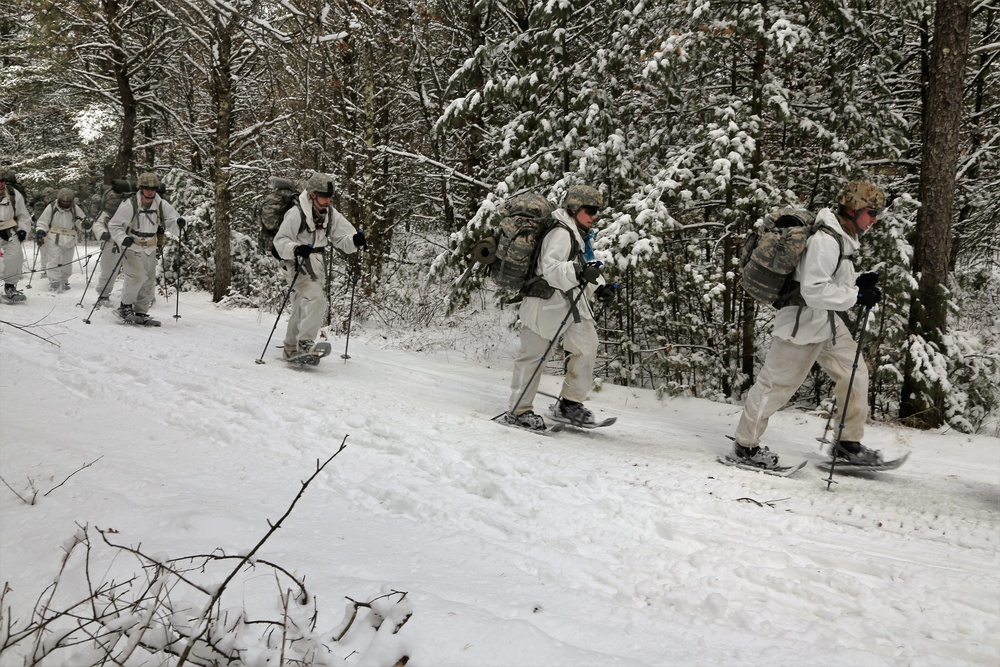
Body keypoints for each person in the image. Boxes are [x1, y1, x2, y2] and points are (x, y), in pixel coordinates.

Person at [731, 180, 887, 469]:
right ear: (853, 210)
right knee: (775, 387)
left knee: (855, 374)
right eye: (871, 212)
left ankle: (847, 444)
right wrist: (856, 295)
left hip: (826, 322)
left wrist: (857, 282)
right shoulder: (825, 241)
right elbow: (813, 291)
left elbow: (828, 280)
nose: (875, 218)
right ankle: (746, 446)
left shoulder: (842, 237)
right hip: (802, 323)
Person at [503, 184, 616, 430]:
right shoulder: (560, 232)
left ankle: (570, 404)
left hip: (570, 304)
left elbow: (585, 263)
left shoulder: (579, 232)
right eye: (590, 210)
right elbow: (550, 268)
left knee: (586, 347)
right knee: (532, 358)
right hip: (544, 304)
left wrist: (600, 285)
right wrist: (579, 272)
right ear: (574, 208)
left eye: (596, 210)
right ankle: (518, 411)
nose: (594, 215)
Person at [272, 172, 366, 362]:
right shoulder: (296, 213)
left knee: (301, 305)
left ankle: (291, 347)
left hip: (316, 264)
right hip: (296, 264)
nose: (328, 200)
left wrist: (355, 240)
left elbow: (342, 239)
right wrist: (296, 249)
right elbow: (279, 241)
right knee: (317, 300)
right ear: (313, 194)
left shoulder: (330, 213)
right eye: (324, 195)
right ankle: (305, 342)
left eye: (330, 196)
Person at [107, 172, 183, 324]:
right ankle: (125, 307)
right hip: (131, 244)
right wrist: (123, 239)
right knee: (137, 276)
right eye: (147, 188)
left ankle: (141, 312)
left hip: (150, 245)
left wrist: (180, 224)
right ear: (140, 188)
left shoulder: (161, 204)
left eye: (153, 188)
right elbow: (114, 225)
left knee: (148, 279)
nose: (150, 191)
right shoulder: (130, 204)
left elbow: (172, 220)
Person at [34, 187, 89, 291]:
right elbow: (43, 221)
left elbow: (81, 221)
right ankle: (54, 281)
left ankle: (64, 280)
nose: (65, 203)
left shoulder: (75, 208)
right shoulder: (52, 207)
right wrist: (40, 231)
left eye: (67, 202)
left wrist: (85, 225)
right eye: (63, 201)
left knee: (67, 261)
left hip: (69, 236)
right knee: (53, 259)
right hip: (53, 236)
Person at [0, 168, 34, 303]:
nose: (1, 184)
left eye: (3, 181)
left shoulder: (14, 194)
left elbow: (23, 215)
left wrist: (22, 230)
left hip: (9, 230)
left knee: (16, 256)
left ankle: (10, 287)